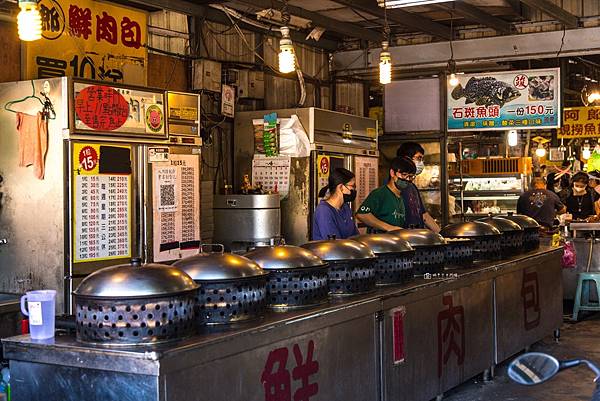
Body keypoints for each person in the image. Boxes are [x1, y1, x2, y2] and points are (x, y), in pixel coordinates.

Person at [356, 157, 413, 232]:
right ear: (392, 173)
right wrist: (389, 228)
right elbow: (362, 215)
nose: (407, 179)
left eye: (410, 176)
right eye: (404, 175)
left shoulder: (401, 197)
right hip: (379, 242)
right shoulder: (380, 194)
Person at [396, 141, 441, 232]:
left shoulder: (412, 187)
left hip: (415, 237)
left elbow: (424, 215)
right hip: (401, 240)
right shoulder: (392, 186)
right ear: (406, 158)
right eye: (419, 158)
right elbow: (364, 214)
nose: (421, 163)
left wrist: (442, 235)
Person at [312, 168, 359, 240]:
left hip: (348, 250)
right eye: (353, 186)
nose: (354, 190)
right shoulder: (324, 211)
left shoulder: (345, 207)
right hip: (333, 251)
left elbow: (355, 236)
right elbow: (334, 243)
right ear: (341, 187)